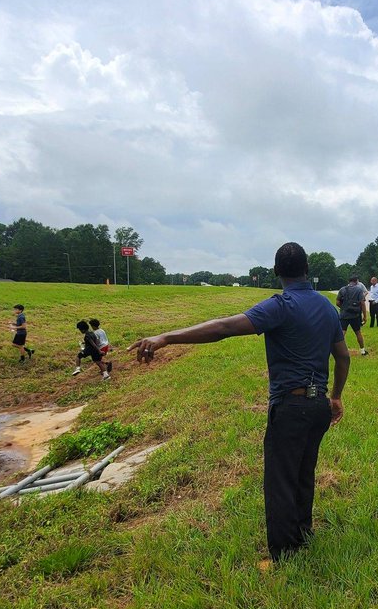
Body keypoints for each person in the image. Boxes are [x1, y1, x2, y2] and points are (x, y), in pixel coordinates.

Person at [130, 242, 350, 567]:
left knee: (281, 480)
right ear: (307, 270)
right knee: (304, 472)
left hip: (290, 407)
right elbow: (343, 356)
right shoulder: (327, 307)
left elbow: (223, 328)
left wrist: (166, 337)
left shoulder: (281, 305)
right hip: (319, 406)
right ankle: (303, 534)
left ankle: (284, 555)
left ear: (277, 272)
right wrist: (336, 396)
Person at [335, 275, 368, 355]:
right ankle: (362, 351)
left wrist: (343, 308)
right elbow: (362, 303)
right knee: (358, 332)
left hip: (344, 315)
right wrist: (365, 316)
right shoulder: (359, 290)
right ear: (356, 281)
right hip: (355, 315)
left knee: (342, 333)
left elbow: (337, 302)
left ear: (348, 281)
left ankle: (338, 351)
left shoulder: (342, 289)